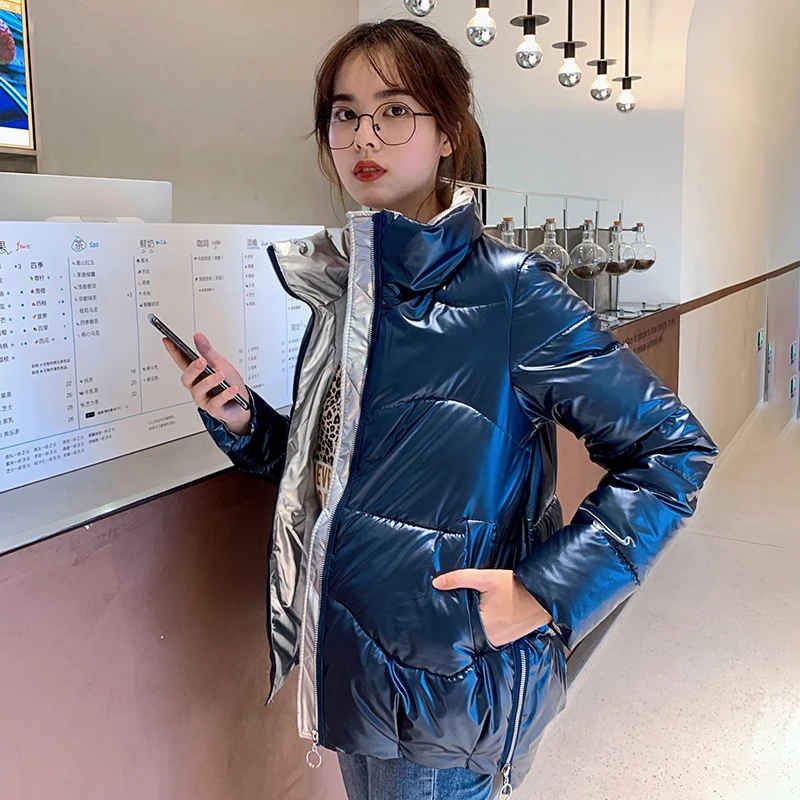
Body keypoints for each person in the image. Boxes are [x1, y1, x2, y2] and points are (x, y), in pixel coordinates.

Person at [164, 18, 718, 800]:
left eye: (395, 110)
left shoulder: (511, 292)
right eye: (345, 114)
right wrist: (246, 424)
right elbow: (343, 475)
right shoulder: (349, 295)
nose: (365, 134)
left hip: (449, 698)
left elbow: (673, 451)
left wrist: (545, 592)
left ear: (448, 132)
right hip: (357, 677)